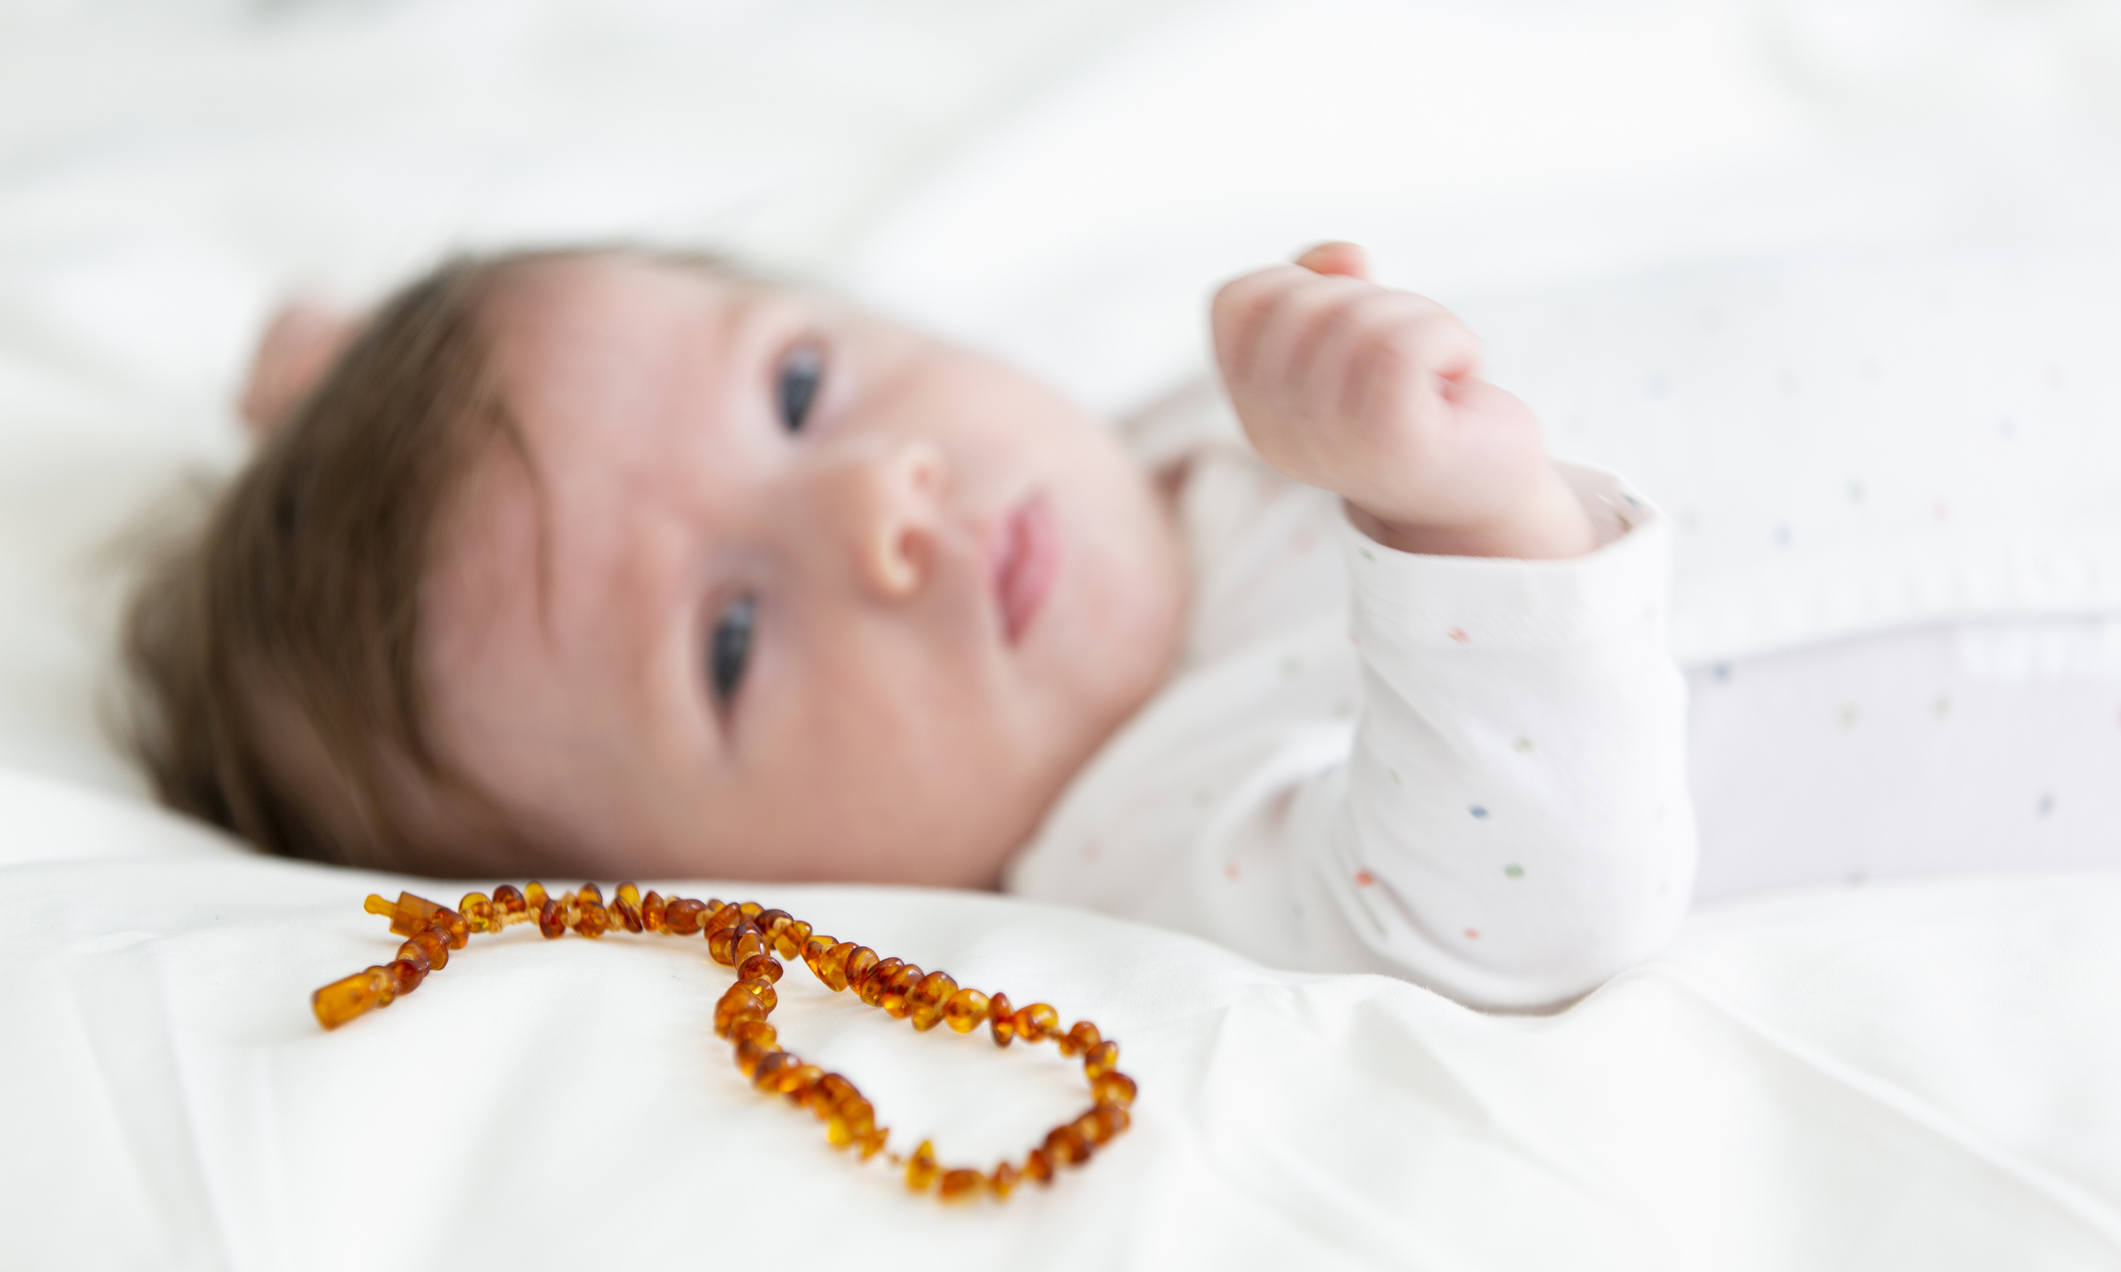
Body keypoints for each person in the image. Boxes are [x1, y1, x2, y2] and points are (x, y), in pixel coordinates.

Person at [123, 242, 1692, 1010]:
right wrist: (1459, 515)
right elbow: (1523, 913)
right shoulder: (1143, 841)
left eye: (800, 388)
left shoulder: (1187, 417)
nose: (877, 498)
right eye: (727, 643)